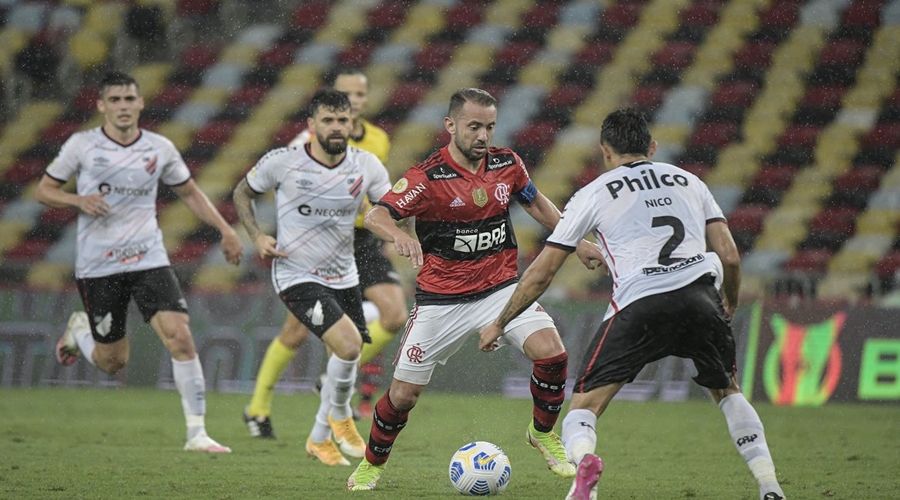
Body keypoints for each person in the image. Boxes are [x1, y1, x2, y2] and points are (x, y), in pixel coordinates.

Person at [478, 108, 786, 500]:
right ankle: (770, 486)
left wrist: (501, 321)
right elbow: (729, 256)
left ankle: (584, 464)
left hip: (639, 303)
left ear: (605, 151)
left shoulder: (594, 192)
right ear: (652, 147)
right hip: (699, 296)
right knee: (728, 392)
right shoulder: (690, 181)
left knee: (584, 408)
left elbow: (540, 273)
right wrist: (728, 300)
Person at [347, 88, 605, 491]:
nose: (483, 136)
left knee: (552, 354)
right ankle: (371, 464)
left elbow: (536, 204)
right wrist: (396, 233)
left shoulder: (507, 163)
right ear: (450, 126)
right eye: (474, 127)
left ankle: (541, 433)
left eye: (489, 127)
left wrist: (578, 241)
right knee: (403, 397)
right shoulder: (428, 177)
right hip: (440, 301)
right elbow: (377, 213)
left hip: (499, 289)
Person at [35, 71, 242, 453]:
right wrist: (78, 201)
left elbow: (191, 193)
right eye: (115, 100)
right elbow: (44, 190)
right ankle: (79, 331)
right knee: (113, 361)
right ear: (101, 106)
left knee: (180, 335)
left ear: (141, 103)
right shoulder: (82, 145)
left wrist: (226, 230)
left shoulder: (159, 148)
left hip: (148, 256)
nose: (124, 106)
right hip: (99, 265)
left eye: (130, 99)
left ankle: (197, 432)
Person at [243, 67, 407, 439]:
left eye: (358, 96)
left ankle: (332, 375)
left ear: (365, 101)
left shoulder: (378, 140)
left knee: (395, 313)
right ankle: (257, 407)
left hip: (361, 241)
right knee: (294, 332)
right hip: (314, 245)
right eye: (344, 95)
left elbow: (378, 191)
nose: (352, 102)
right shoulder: (309, 139)